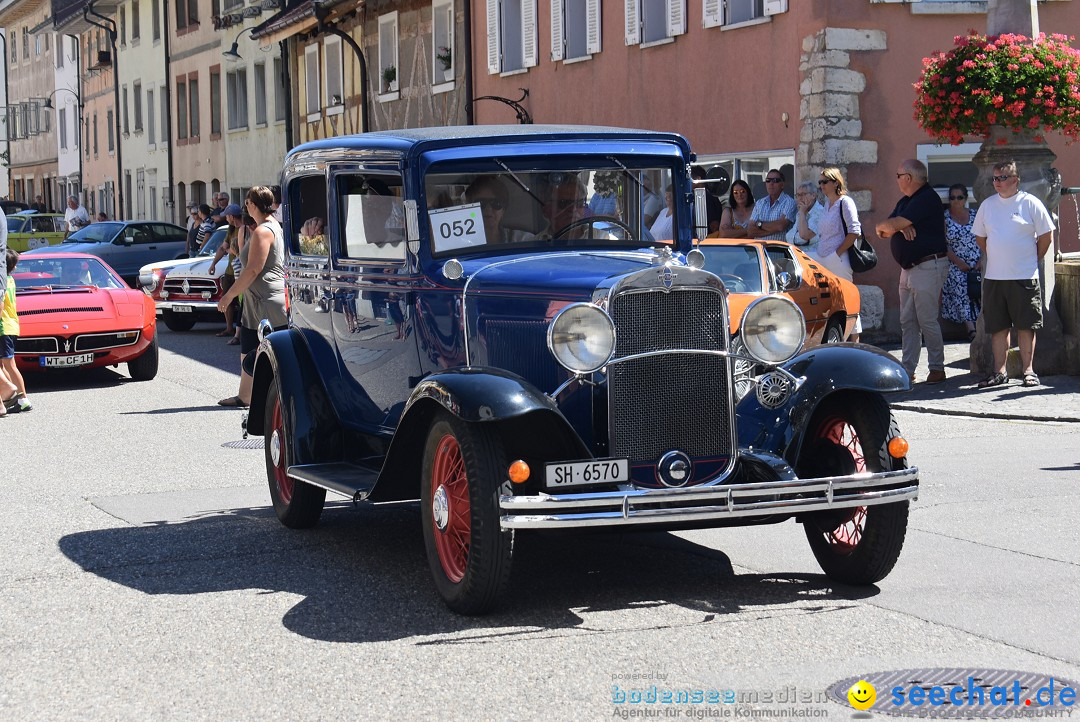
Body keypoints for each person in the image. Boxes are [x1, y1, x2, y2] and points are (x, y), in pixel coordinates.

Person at [972, 161, 1054, 389]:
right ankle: (1000, 372)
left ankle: (1029, 371)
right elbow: (980, 237)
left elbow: (1046, 236)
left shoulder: (1030, 203)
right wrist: (997, 253)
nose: (997, 182)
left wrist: (1030, 258)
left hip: (1024, 276)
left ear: (1015, 179)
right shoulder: (987, 205)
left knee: (1027, 325)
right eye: (995, 178)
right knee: (998, 326)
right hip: (995, 278)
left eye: (1002, 177)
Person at [875, 159, 950, 384]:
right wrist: (900, 225)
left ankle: (937, 368)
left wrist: (898, 224)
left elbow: (890, 226)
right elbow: (882, 228)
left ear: (908, 178)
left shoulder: (926, 197)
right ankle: (907, 370)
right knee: (907, 321)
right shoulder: (905, 202)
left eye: (898, 176)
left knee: (926, 320)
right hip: (909, 268)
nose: (897, 180)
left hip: (927, 265)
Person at [216, 187, 288, 407]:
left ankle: (276, 397)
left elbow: (253, 269)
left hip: (265, 301)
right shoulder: (272, 226)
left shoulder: (263, 231)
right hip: (258, 301)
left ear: (253, 205)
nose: (245, 206)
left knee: (271, 351)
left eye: (247, 202)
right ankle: (245, 395)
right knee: (249, 348)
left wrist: (228, 296)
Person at [812, 167, 862, 342]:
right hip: (824, 257)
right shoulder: (827, 204)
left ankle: (855, 345)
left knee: (848, 301)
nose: (822, 186)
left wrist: (836, 254)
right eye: (820, 182)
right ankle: (835, 340)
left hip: (839, 259)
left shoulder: (845, 202)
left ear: (835, 182)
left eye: (825, 182)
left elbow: (854, 231)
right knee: (831, 303)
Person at [942, 183, 982, 342]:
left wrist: (981, 260)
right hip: (955, 263)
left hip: (977, 262)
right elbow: (943, 244)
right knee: (959, 284)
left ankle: (982, 326)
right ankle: (971, 329)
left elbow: (985, 237)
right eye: (952, 198)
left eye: (959, 197)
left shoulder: (975, 215)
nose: (956, 201)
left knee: (981, 291)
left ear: (965, 199)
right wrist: (959, 263)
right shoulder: (945, 218)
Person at [0, 248, 30, 414]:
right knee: (4, 366)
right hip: (11, 325)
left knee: (9, 365)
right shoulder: (9, 280)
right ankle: (11, 397)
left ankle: (23, 398)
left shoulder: (2, 282)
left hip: (4, 326)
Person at [209, 204, 244, 338]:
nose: (225, 218)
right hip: (231, 271)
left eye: (227, 216)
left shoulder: (244, 229)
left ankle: (241, 331)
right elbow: (223, 248)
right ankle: (229, 328)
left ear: (232, 216)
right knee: (227, 300)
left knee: (243, 303)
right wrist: (213, 264)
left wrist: (232, 250)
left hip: (242, 271)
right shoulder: (230, 229)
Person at [747, 170, 797, 241]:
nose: (771, 183)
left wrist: (759, 224)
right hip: (760, 250)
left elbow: (780, 226)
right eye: (768, 180)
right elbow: (750, 232)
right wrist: (774, 229)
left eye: (775, 180)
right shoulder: (759, 203)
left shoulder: (789, 202)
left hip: (779, 250)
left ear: (782, 185)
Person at [464, 176, 516, 244]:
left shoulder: (522, 240)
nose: (488, 209)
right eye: (480, 203)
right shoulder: (462, 243)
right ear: (470, 209)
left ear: (503, 210)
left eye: (496, 203)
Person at [788, 181, 824, 252]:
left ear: (813, 195)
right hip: (799, 255)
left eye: (803, 194)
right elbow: (790, 236)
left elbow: (804, 235)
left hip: (814, 256)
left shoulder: (819, 212)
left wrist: (802, 213)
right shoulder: (801, 211)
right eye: (798, 195)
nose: (800, 198)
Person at [690, 166, 722, 236]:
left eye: (689, 179)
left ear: (698, 179)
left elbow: (714, 225)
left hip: (705, 241)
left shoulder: (707, 197)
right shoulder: (697, 196)